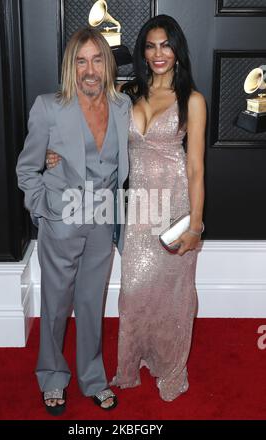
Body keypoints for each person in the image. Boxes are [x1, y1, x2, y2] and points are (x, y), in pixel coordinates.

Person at [46, 14, 206, 402]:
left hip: (174, 203)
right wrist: (59, 153)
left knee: (174, 291)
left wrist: (195, 225)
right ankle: (133, 361)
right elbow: (90, 121)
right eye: (150, 46)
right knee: (134, 290)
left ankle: (169, 366)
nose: (158, 53)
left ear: (177, 49)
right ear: (142, 51)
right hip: (137, 207)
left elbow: (197, 166)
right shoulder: (127, 92)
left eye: (165, 44)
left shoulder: (192, 100)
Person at [16, 27, 131, 415]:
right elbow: (27, 168)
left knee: (90, 301)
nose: (89, 69)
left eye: (97, 59)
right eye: (81, 61)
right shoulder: (49, 107)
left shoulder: (121, 106)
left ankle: (93, 378)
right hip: (60, 220)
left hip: (102, 219)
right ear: (70, 66)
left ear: (107, 63)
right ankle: (51, 375)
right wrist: (43, 210)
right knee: (56, 302)